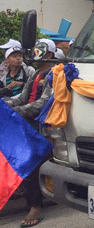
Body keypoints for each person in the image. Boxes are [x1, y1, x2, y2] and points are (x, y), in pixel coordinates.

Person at [4, 39, 62, 227]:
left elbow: (43, 104)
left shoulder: (55, 74)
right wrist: (6, 104)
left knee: (30, 166)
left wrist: (16, 111)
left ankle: (35, 206)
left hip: (40, 127)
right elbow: (22, 97)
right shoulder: (36, 73)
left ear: (49, 55)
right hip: (27, 122)